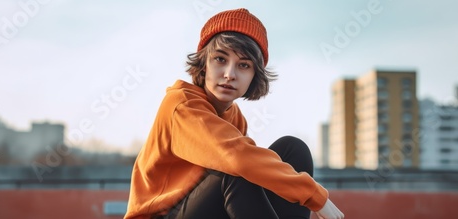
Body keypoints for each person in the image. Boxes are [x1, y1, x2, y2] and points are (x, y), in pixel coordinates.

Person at [124, 8, 344, 219]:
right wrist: (315, 196)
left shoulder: (235, 116)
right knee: (237, 169)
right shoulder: (181, 105)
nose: (229, 74)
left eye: (243, 65)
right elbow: (236, 158)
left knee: (293, 148)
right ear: (204, 64)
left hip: (204, 208)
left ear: (254, 76)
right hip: (161, 215)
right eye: (220, 59)